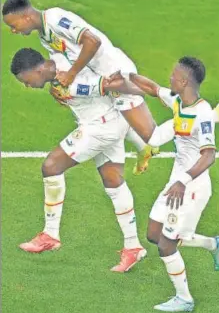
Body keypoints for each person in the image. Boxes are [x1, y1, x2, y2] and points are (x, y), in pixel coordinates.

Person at [10, 47, 154, 273]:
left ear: (38, 70)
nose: (26, 86)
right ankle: (133, 247)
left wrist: (155, 91)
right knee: (114, 183)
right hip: (112, 121)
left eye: (25, 80)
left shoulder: (70, 81)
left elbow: (108, 85)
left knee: (51, 166)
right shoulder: (59, 63)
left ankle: (50, 234)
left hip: (100, 128)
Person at [113, 56, 219, 311]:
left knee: (167, 244)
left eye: (174, 75)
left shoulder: (203, 114)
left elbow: (209, 155)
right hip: (177, 183)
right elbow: (153, 89)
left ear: (185, 81)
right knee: (154, 234)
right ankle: (215, 244)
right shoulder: (178, 100)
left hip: (192, 187)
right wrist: (127, 76)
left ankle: (184, 299)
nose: (170, 78)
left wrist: (184, 182)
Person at [2, 0, 160, 175]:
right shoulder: (44, 36)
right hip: (97, 74)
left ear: (26, 17)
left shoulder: (55, 19)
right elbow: (62, 59)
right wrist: (57, 85)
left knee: (152, 134)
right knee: (115, 116)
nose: (13, 31)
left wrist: (71, 74)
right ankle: (146, 147)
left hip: (114, 69)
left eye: (13, 25)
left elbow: (92, 41)